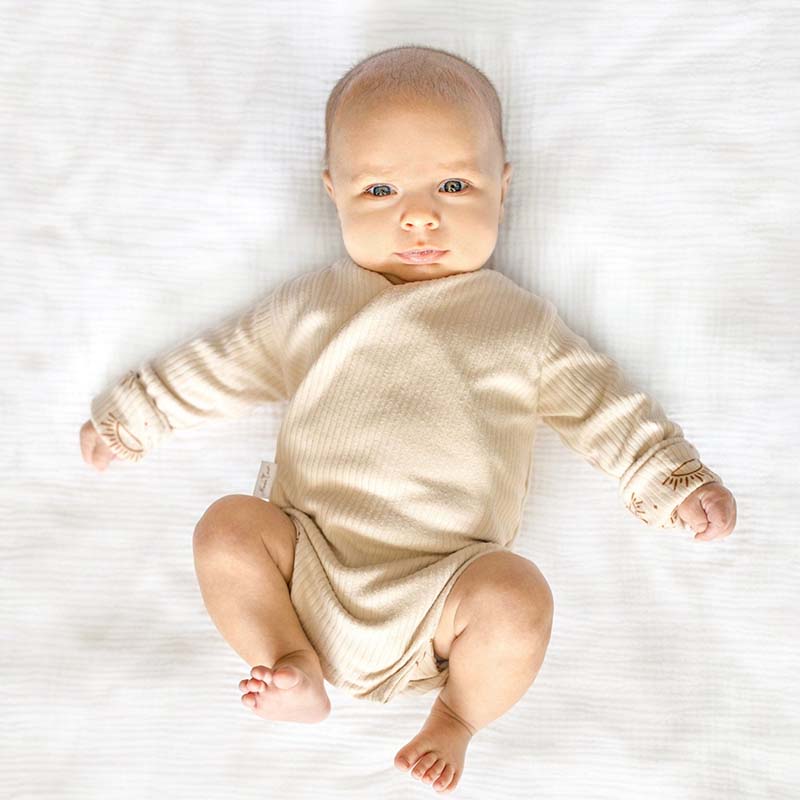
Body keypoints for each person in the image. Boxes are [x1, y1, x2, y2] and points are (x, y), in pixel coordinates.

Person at [80, 45, 737, 794]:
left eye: (453, 185)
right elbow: (222, 361)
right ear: (334, 193)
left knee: (517, 595)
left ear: (503, 188)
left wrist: (676, 482)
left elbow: (603, 407)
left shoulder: (517, 324)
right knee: (227, 528)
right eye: (380, 188)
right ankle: (290, 661)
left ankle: (457, 716)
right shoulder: (313, 306)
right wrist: (133, 416)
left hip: (447, 592)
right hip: (308, 563)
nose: (420, 215)